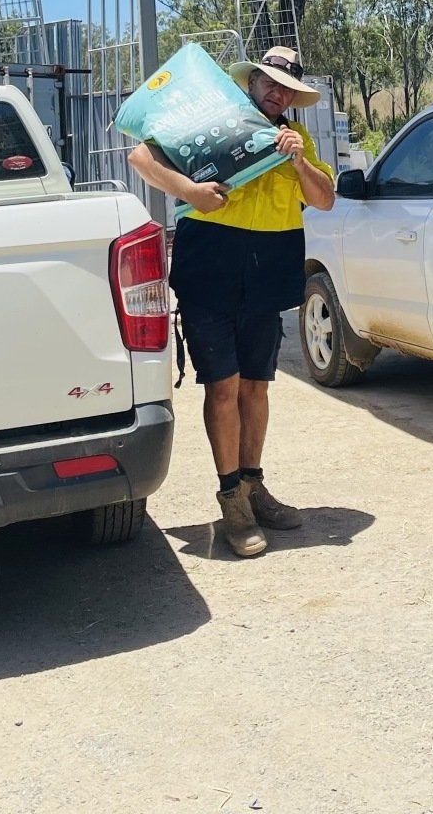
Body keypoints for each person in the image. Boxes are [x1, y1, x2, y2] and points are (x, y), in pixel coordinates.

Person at [126, 45, 336, 557]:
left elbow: (325, 198)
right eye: (268, 81)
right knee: (223, 388)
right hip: (211, 266)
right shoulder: (213, 117)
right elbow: (140, 156)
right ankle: (231, 502)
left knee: (256, 389)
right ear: (252, 81)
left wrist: (300, 160)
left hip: (270, 266)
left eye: (285, 87)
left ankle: (254, 487)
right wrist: (190, 192)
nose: (276, 91)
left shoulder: (296, 137)